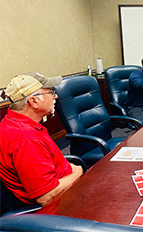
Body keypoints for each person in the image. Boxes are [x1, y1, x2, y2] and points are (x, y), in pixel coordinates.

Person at [0, 72, 83, 208]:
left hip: (64, 186)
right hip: (59, 204)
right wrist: (77, 172)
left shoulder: (14, 122)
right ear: (34, 101)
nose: (56, 96)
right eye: (51, 92)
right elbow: (45, 197)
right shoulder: (26, 139)